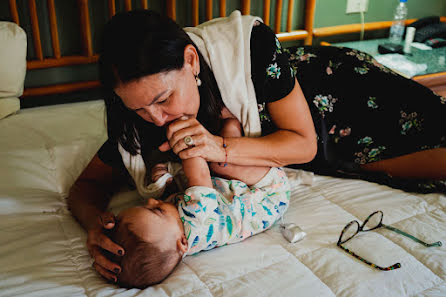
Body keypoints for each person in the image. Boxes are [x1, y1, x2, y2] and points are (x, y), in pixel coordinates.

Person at [67, 9, 446, 283]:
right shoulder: (138, 120)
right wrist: (93, 227)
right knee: (378, 167)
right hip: (328, 150)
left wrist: (220, 148)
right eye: (139, 109)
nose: (157, 118)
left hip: (342, 92)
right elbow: (87, 187)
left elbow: (303, 146)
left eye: (164, 99)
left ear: (191, 60)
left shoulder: (249, 49)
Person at [109, 117, 290, 288]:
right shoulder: (197, 220)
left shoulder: (174, 235)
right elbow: (199, 175)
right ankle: (233, 125)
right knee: (219, 163)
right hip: (270, 192)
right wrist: (187, 139)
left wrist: (165, 177)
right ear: (182, 243)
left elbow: (179, 194)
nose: (151, 201)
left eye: (145, 206)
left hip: (238, 192)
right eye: (157, 211)